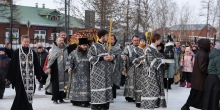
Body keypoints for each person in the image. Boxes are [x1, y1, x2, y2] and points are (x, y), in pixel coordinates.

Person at [7, 35, 45, 110]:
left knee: (29, 96)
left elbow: (36, 65)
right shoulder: (16, 53)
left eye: (28, 41)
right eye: (25, 41)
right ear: (21, 41)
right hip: (19, 79)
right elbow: (12, 66)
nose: (26, 43)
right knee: (20, 96)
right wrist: (10, 77)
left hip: (30, 80)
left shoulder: (32, 53)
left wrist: (39, 74)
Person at [88, 29, 115, 110]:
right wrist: (102, 58)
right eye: (107, 36)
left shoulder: (108, 46)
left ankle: (105, 105)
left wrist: (111, 58)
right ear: (102, 36)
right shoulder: (94, 46)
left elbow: (113, 55)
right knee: (98, 89)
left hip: (107, 72)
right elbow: (90, 58)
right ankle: (96, 106)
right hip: (97, 73)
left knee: (106, 88)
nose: (108, 37)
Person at [181, 39, 210, 110]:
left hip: (197, 78)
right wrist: (209, 71)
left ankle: (186, 106)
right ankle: (186, 106)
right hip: (200, 79)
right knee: (197, 94)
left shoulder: (200, 52)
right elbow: (203, 67)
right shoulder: (203, 54)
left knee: (195, 94)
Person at [141, 33, 167, 109]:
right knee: (152, 92)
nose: (161, 40)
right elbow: (151, 61)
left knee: (157, 91)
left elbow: (161, 57)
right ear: (156, 40)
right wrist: (162, 61)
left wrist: (165, 60)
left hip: (157, 73)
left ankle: (153, 106)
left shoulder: (155, 49)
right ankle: (149, 107)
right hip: (150, 74)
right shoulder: (148, 49)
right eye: (160, 39)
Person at [65, 38, 91, 107]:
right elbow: (69, 61)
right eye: (83, 45)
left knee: (86, 88)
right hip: (76, 74)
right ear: (79, 45)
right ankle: (75, 101)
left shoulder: (89, 53)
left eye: (86, 45)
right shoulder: (73, 53)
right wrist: (69, 67)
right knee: (76, 88)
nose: (85, 47)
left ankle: (86, 101)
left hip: (87, 74)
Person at [47, 37, 69, 104]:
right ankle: (55, 99)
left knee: (64, 84)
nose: (61, 42)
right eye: (60, 40)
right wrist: (49, 67)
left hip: (64, 69)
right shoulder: (54, 49)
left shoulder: (65, 48)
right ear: (57, 41)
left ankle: (61, 98)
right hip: (55, 69)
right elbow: (51, 59)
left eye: (62, 40)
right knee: (56, 85)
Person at [121, 35, 139, 102]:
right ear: (132, 41)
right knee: (130, 82)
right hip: (130, 67)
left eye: (137, 40)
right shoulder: (128, 48)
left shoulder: (141, 48)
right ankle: (129, 96)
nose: (136, 41)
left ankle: (137, 96)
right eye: (135, 40)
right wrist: (124, 57)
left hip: (139, 68)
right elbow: (122, 54)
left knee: (137, 82)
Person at [203, 43, 220, 110]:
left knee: (209, 95)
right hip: (215, 78)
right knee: (215, 96)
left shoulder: (213, 55)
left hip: (210, 78)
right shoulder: (218, 57)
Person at [132, 34, 146, 108]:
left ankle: (145, 100)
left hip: (146, 71)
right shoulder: (135, 49)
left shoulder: (148, 49)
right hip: (138, 70)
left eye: (144, 41)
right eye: (141, 41)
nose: (142, 42)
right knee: (139, 86)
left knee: (146, 86)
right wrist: (140, 62)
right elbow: (133, 60)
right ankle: (138, 101)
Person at [110, 35, 123, 101]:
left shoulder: (118, 48)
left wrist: (113, 57)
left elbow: (119, 58)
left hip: (115, 67)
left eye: (112, 39)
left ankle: (112, 96)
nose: (110, 40)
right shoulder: (105, 47)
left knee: (113, 82)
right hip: (107, 67)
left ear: (115, 40)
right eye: (109, 39)